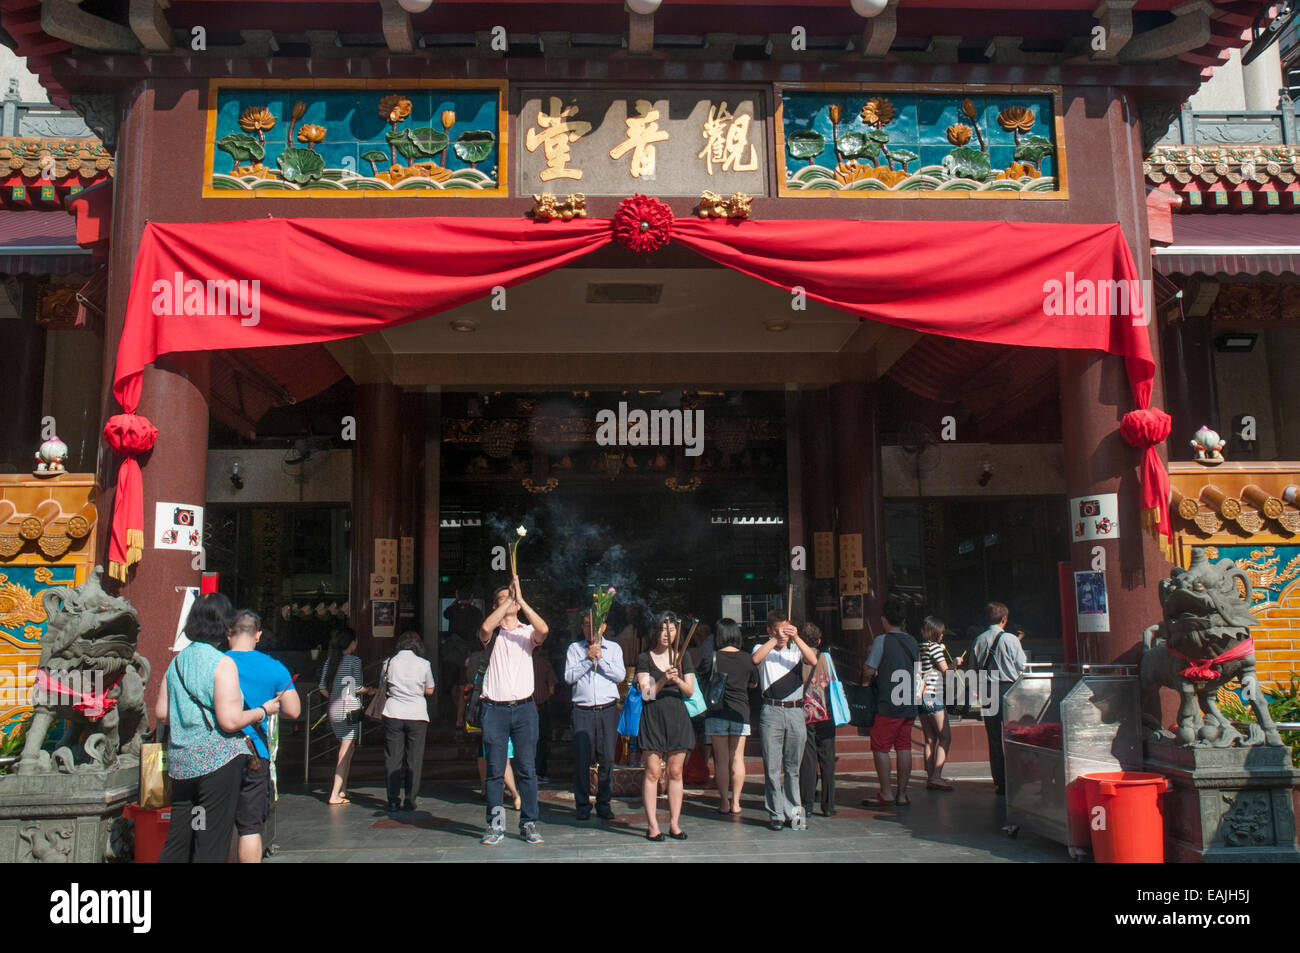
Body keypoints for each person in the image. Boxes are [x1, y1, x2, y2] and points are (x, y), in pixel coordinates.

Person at [156, 593, 280, 863]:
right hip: (218, 764)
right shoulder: (222, 663)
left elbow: (162, 712)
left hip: (182, 763)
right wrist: (263, 711)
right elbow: (230, 720)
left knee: (180, 836)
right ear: (225, 624)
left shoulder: (176, 662)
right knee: (210, 840)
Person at [478, 575, 550, 846]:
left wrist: (522, 600)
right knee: (495, 770)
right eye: (501, 599)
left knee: (527, 769)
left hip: (524, 710)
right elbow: (485, 626)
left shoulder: (525, 633)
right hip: (494, 710)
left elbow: (544, 630)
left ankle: (529, 822)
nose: (507, 602)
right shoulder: (493, 635)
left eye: (510, 599)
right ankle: (495, 824)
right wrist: (506, 599)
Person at [226, 609, 301, 863]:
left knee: (214, 823)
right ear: (258, 635)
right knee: (250, 828)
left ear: (228, 632)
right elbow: (294, 710)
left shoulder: (217, 662)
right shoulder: (274, 667)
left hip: (217, 752)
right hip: (255, 752)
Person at [752, 609, 818, 831]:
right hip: (771, 711)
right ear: (770, 630)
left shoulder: (796, 650)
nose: (783, 635)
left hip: (795, 712)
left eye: (786, 629)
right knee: (771, 767)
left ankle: (795, 813)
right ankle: (776, 813)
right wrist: (774, 639)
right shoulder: (763, 648)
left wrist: (796, 637)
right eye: (778, 629)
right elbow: (755, 658)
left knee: (793, 768)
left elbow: (813, 659)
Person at [636, 611, 697, 841]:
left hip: (677, 716)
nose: (666, 634)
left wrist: (677, 679)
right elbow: (646, 694)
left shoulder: (683, 657)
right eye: (663, 629)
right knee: (652, 772)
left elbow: (690, 690)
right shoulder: (645, 658)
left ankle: (674, 823)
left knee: (675, 772)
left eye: (671, 629)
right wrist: (662, 680)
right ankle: (652, 826)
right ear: (656, 631)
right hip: (653, 716)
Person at [564, 608, 625, 820]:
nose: (590, 630)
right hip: (582, 710)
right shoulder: (574, 649)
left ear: (604, 627)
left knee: (607, 758)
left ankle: (604, 803)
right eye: (586, 625)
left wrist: (602, 659)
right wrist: (587, 660)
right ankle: (582, 805)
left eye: (595, 626)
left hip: (607, 710)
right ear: (581, 628)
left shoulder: (614, 648)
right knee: (582, 759)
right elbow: (569, 677)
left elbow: (620, 675)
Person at [862, 595, 920, 807]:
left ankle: (886, 791)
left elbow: (869, 670)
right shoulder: (912, 641)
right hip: (909, 700)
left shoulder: (882, 640)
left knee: (881, 746)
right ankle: (902, 793)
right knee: (904, 746)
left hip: (888, 701)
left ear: (884, 619)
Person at [695, 618, 756, 815]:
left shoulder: (711, 657)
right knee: (738, 758)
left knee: (720, 760)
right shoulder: (747, 658)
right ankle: (736, 802)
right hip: (740, 712)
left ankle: (723, 802)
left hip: (716, 712)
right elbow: (754, 684)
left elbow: (699, 679)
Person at [970, 601, 1028, 796]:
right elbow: (1022, 665)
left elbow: (973, 668)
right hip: (1009, 688)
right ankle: (1016, 778)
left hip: (988, 689)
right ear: (1004, 619)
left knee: (994, 737)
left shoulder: (979, 640)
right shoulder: (1011, 639)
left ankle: (1000, 781)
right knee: (1013, 734)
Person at [466, 625, 521, 810]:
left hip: (493, 709)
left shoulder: (476, 658)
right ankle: (512, 793)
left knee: (490, 752)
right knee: (496, 754)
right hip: (490, 708)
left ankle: (496, 790)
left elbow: (469, 679)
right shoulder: (483, 658)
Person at [380, 630, 435, 813]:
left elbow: (383, 684)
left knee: (393, 758)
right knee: (414, 759)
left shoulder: (389, 663)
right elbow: (430, 690)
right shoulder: (424, 664)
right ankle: (410, 800)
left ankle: (393, 800)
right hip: (417, 714)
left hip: (393, 711)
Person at [797, 622, 837, 817]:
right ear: (819, 640)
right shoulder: (827, 658)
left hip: (805, 713)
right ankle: (829, 805)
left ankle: (807, 804)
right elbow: (833, 682)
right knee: (828, 759)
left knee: (808, 758)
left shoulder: (798, 658)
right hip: (826, 712)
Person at [918, 615, 962, 792]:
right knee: (945, 737)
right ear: (935, 633)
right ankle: (936, 777)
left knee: (929, 739)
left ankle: (930, 777)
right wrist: (955, 663)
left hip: (921, 697)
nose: (942, 636)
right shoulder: (935, 648)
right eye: (941, 633)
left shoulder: (920, 647)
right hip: (934, 696)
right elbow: (946, 672)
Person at [319, 627, 362, 805]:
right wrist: (372, 691)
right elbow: (357, 687)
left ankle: (343, 788)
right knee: (344, 752)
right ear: (352, 643)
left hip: (333, 709)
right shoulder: (354, 661)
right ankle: (335, 794)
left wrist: (335, 696)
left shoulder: (331, 661)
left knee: (348, 750)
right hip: (349, 709)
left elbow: (322, 687)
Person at [445, 591, 483, 726]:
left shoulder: (453, 610)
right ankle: (460, 718)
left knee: (454, 687)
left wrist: (456, 601)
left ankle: (460, 715)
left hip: (453, 654)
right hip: (468, 653)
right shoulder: (476, 612)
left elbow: (446, 613)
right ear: (471, 597)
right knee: (463, 687)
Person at [533, 646, 559, 782]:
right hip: (541, 706)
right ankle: (539, 772)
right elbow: (552, 689)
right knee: (541, 739)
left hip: (523, 705)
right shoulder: (545, 663)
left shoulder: (521, 663)